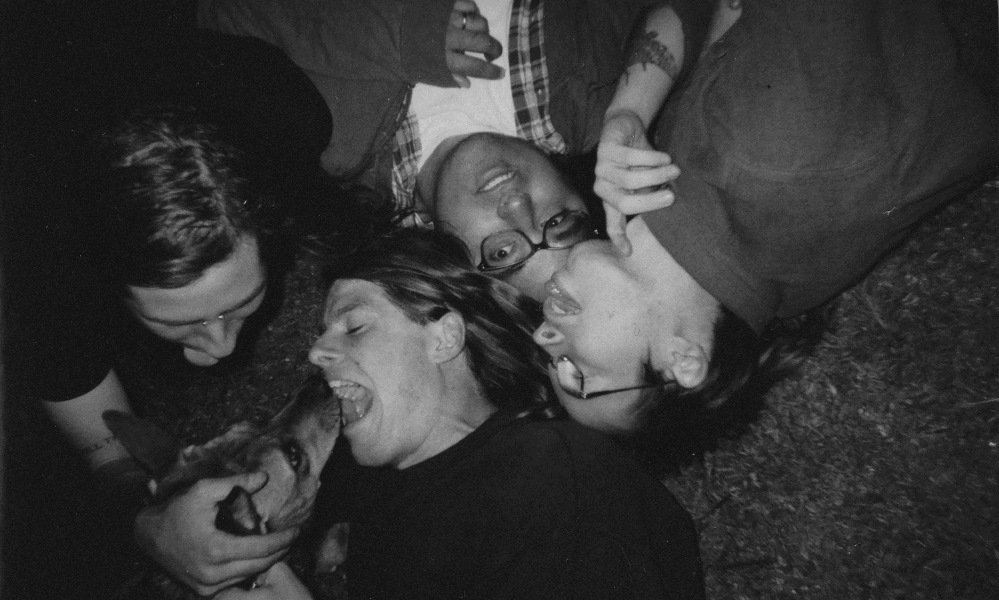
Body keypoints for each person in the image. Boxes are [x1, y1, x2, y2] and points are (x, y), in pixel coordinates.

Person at [528, 0, 999, 433]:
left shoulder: (753, 265)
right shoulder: (763, 157)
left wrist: (630, 108)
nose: (542, 335)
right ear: (682, 359)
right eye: (575, 374)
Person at [3, 18, 334, 596]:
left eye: (240, 303)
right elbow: (107, 457)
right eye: (180, 322)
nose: (220, 348)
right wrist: (149, 526)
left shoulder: (287, 115)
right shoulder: (44, 267)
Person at [217, 228, 705, 600]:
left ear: (445, 337)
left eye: (355, 326)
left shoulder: (557, 476)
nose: (316, 353)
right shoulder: (375, 514)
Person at [196, 0, 718, 300]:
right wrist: (631, 111)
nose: (519, 206)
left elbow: (218, 16)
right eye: (559, 223)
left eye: (503, 252)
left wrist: (397, 33)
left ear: (450, 258)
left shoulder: (321, 150)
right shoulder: (586, 96)